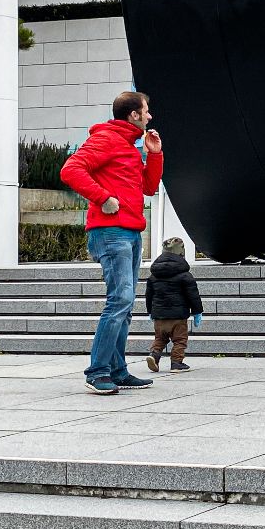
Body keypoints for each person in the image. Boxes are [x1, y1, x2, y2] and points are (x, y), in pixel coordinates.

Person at [60, 90, 164, 396]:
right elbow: (70, 170)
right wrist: (103, 198)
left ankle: (118, 371)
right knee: (119, 301)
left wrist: (154, 154)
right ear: (133, 115)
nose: (149, 116)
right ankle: (98, 372)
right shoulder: (106, 139)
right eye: (146, 110)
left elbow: (148, 187)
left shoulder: (129, 146)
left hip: (130, 231)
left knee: (125, 304)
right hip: (111, 231)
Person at [144, 237, 204, 373]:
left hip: (159, 316)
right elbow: (193, 295)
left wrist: (150, 311)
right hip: (178, 316)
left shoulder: (154, 276)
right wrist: (197, 311)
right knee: (180, 340)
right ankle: (176, 363)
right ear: (181, 253)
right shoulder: (185, 275)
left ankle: (154, 356)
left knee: (160, 338)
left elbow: (149, 295)